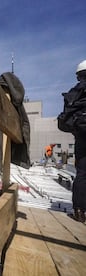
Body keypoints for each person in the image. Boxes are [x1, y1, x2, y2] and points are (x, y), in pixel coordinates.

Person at [0, 72, 31, 179]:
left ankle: (3, 178)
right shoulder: (16, 109)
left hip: (7, 161)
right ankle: (3, 178)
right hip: (4, 165)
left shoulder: (9, 110)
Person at [66, 60, 86, 223]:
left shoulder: (75, 91)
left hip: (81, 137)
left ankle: (79, 211)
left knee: (82, 173)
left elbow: (67, 116)